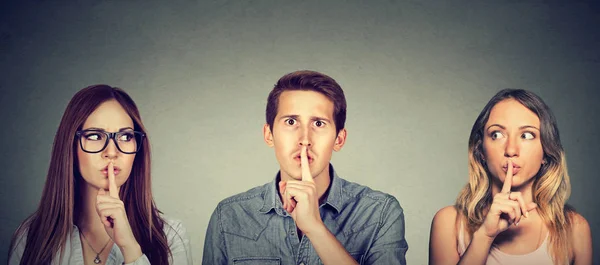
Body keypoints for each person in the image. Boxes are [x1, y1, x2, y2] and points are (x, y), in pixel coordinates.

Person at [202, 70, 408, 265]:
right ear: (269, 135)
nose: (304, 140)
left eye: (318, 124)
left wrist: (315, 229)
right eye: (291, 121)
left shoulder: (379, 211)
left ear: (339, 139)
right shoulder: (229, 215)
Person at [8, 85, 192, 265]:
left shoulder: (169, 237)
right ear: (70, 145)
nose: (112, 152)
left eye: (126, 137)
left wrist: (130, 248)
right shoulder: (32, 236)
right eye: (95, 136)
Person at [429, 88, 592, 265]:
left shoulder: (574, 229)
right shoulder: (449, 223)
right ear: (480, 149)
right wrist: (485, 235)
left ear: (546, 151)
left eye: (526, 135)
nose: (511, 150)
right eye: (497, 134)